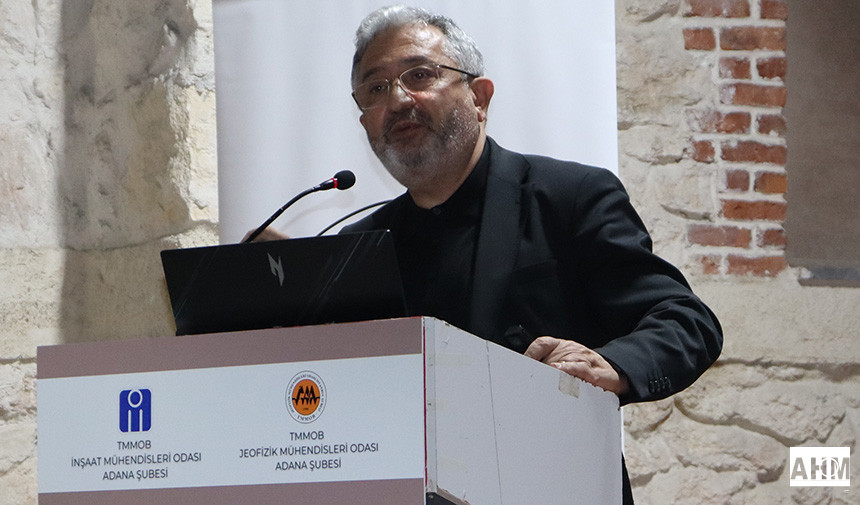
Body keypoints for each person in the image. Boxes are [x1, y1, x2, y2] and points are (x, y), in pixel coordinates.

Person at [256, 5, 722, 503]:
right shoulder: (358, 245)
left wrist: (612, 366)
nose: (398, 99)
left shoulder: (568, 197)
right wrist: (280, 302)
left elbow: (686, 321)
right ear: (365, 121)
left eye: (420, 75)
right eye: (376, 88)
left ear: (479, 98)